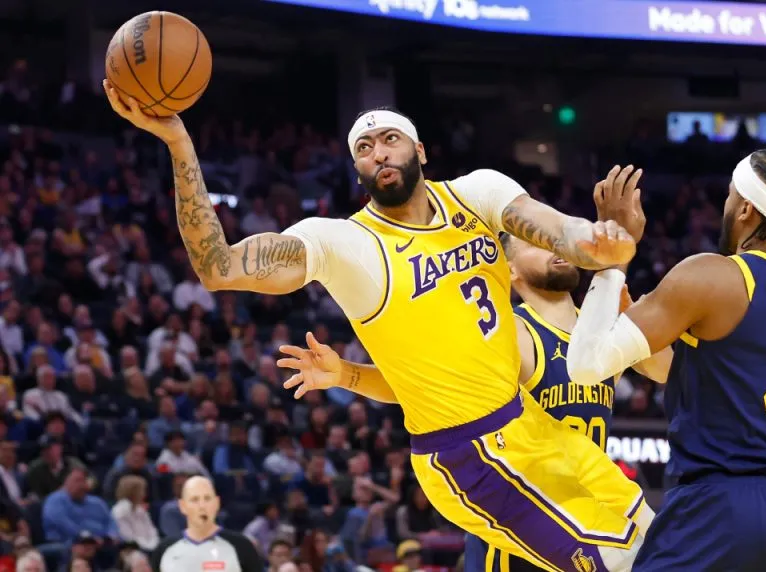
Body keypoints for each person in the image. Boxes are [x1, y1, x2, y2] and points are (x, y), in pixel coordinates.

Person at [104, 81, 649, 572]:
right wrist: (179, 144)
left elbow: (558, 231)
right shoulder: (347, 245)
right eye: (363, 149)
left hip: (530, 423)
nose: (377, 152)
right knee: (615, 562)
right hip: (468, 454)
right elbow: (218, 268)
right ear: (357, 170)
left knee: (659, 535)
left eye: (389, 139)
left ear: (420, 150)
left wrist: (598, 240)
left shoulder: (477, 193)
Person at [316, 169, 673, 572]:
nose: (554, 245)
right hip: (519, 526)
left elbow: (666, 372)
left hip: (587, 508)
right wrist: (345, 375)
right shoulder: (506, 329)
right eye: (537, 241)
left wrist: (630, 306)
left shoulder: (601, 323)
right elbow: (421, 388)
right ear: (509, 268)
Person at [566, 154, 766, 571]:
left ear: (745, 207)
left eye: (729, 197)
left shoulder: (713, 276)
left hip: (718, 509)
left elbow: (585, 365)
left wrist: (615, 256)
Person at [149, 476, 263, 571]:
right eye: (194, 500)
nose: (202, 506)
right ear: (182, 506)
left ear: (217, 503)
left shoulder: (241, 545)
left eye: (207, 498)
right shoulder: (164, 549)